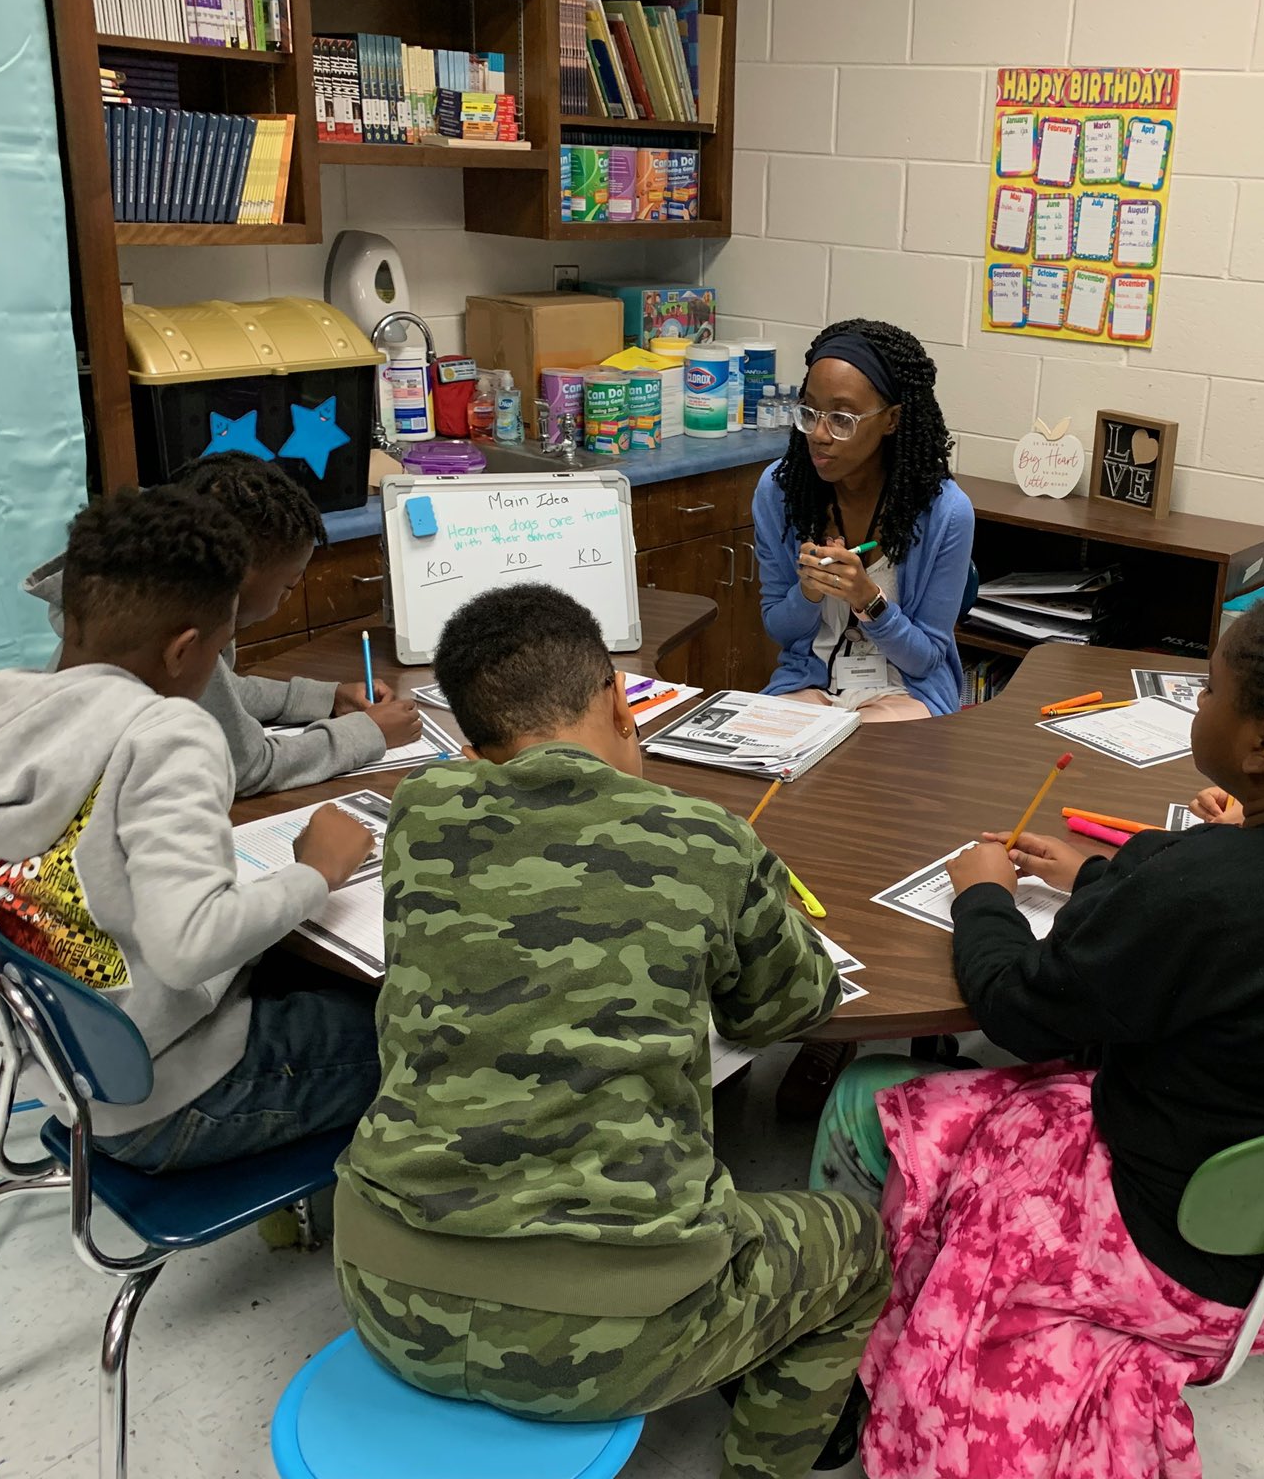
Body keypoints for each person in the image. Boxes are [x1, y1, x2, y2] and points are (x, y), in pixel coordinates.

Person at [812, 588, 1264, 1479]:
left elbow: (1018, 1008)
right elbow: (1242, 932)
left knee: (868, 1094)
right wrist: (1107, 875)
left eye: (1211, 694)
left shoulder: (1206, 889)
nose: (1200, 706)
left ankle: (823, 1368)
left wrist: (981, 894)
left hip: (1174, 1259)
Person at [333, 584, 888, 1479]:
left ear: (473, 751)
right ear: (621, 701)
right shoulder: (708, 839)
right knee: (856, 1248)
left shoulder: (420, 815)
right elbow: (790, 1008)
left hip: (387, 1297)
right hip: (614, 1338)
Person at [0, 487, 381, 1172]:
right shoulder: (167, 736)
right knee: (436, 1032)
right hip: (178, 1097)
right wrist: (315, 872)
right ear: (185, 650)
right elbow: (189, 947)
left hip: (70, 1074)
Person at [24, 453, 422, 795]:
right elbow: (247, 767)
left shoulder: (124, 612)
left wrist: (325, 697)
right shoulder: (177, 637)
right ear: (238, 571)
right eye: (288, 585)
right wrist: (368, 733)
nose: (286, 598)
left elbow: (222, 691)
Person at [752, 319, 975, 724]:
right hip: (810, 685)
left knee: (863, 769)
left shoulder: (946, 513)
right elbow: (780, 631)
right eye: (809, 412)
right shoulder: (779, 491)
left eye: (841, 419)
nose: (818, 434)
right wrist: (808, 591)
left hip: (904, 690)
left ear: (891, 420)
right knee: (759, 753)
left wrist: (868, 600)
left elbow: (926, 660)